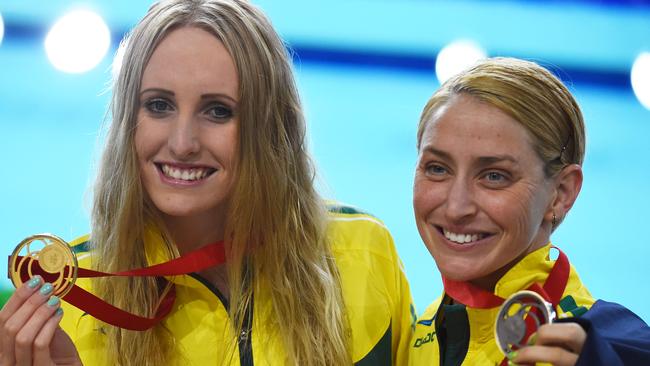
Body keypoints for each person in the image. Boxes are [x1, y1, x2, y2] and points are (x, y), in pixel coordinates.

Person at [0, 1, 415, 365]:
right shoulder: (69, 297)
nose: (182, 143)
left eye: (217, 111)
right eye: (159, 105)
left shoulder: (361, 255)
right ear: (129, 122)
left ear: (271, 128)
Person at [408, 57, 650, 366]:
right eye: (438, 168)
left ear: (561, 193)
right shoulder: (417, 335)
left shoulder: (609, 347)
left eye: (494, 176)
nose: (457, 207)